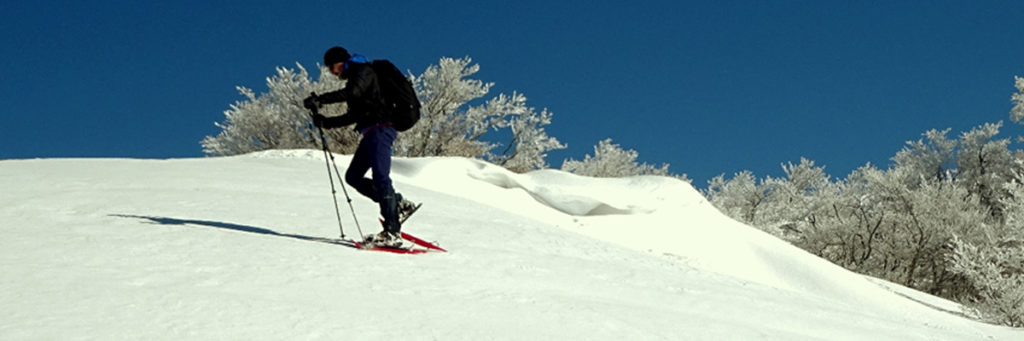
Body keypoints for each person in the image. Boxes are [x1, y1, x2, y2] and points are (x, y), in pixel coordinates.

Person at [303, 46, 416, 246]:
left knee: (381, 178)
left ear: (340, 62)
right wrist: (325, 122)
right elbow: (353, 116)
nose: (331, 72)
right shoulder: (358, 79)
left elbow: (351, 92)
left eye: (331, 67)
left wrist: (321, 99)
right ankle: (397, 203)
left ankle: (392, 231)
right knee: (353, 177)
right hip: (371, 132)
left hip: (382, 128)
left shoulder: (363, 71)